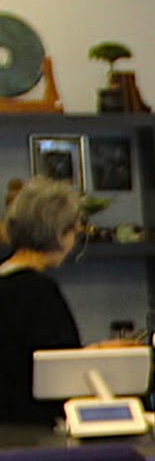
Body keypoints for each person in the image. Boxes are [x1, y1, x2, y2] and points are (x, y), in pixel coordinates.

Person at [0, 177, 83, 425]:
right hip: (30, 427)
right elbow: (63, 369)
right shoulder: (40, 293)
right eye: (74, 231)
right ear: (60, 234)